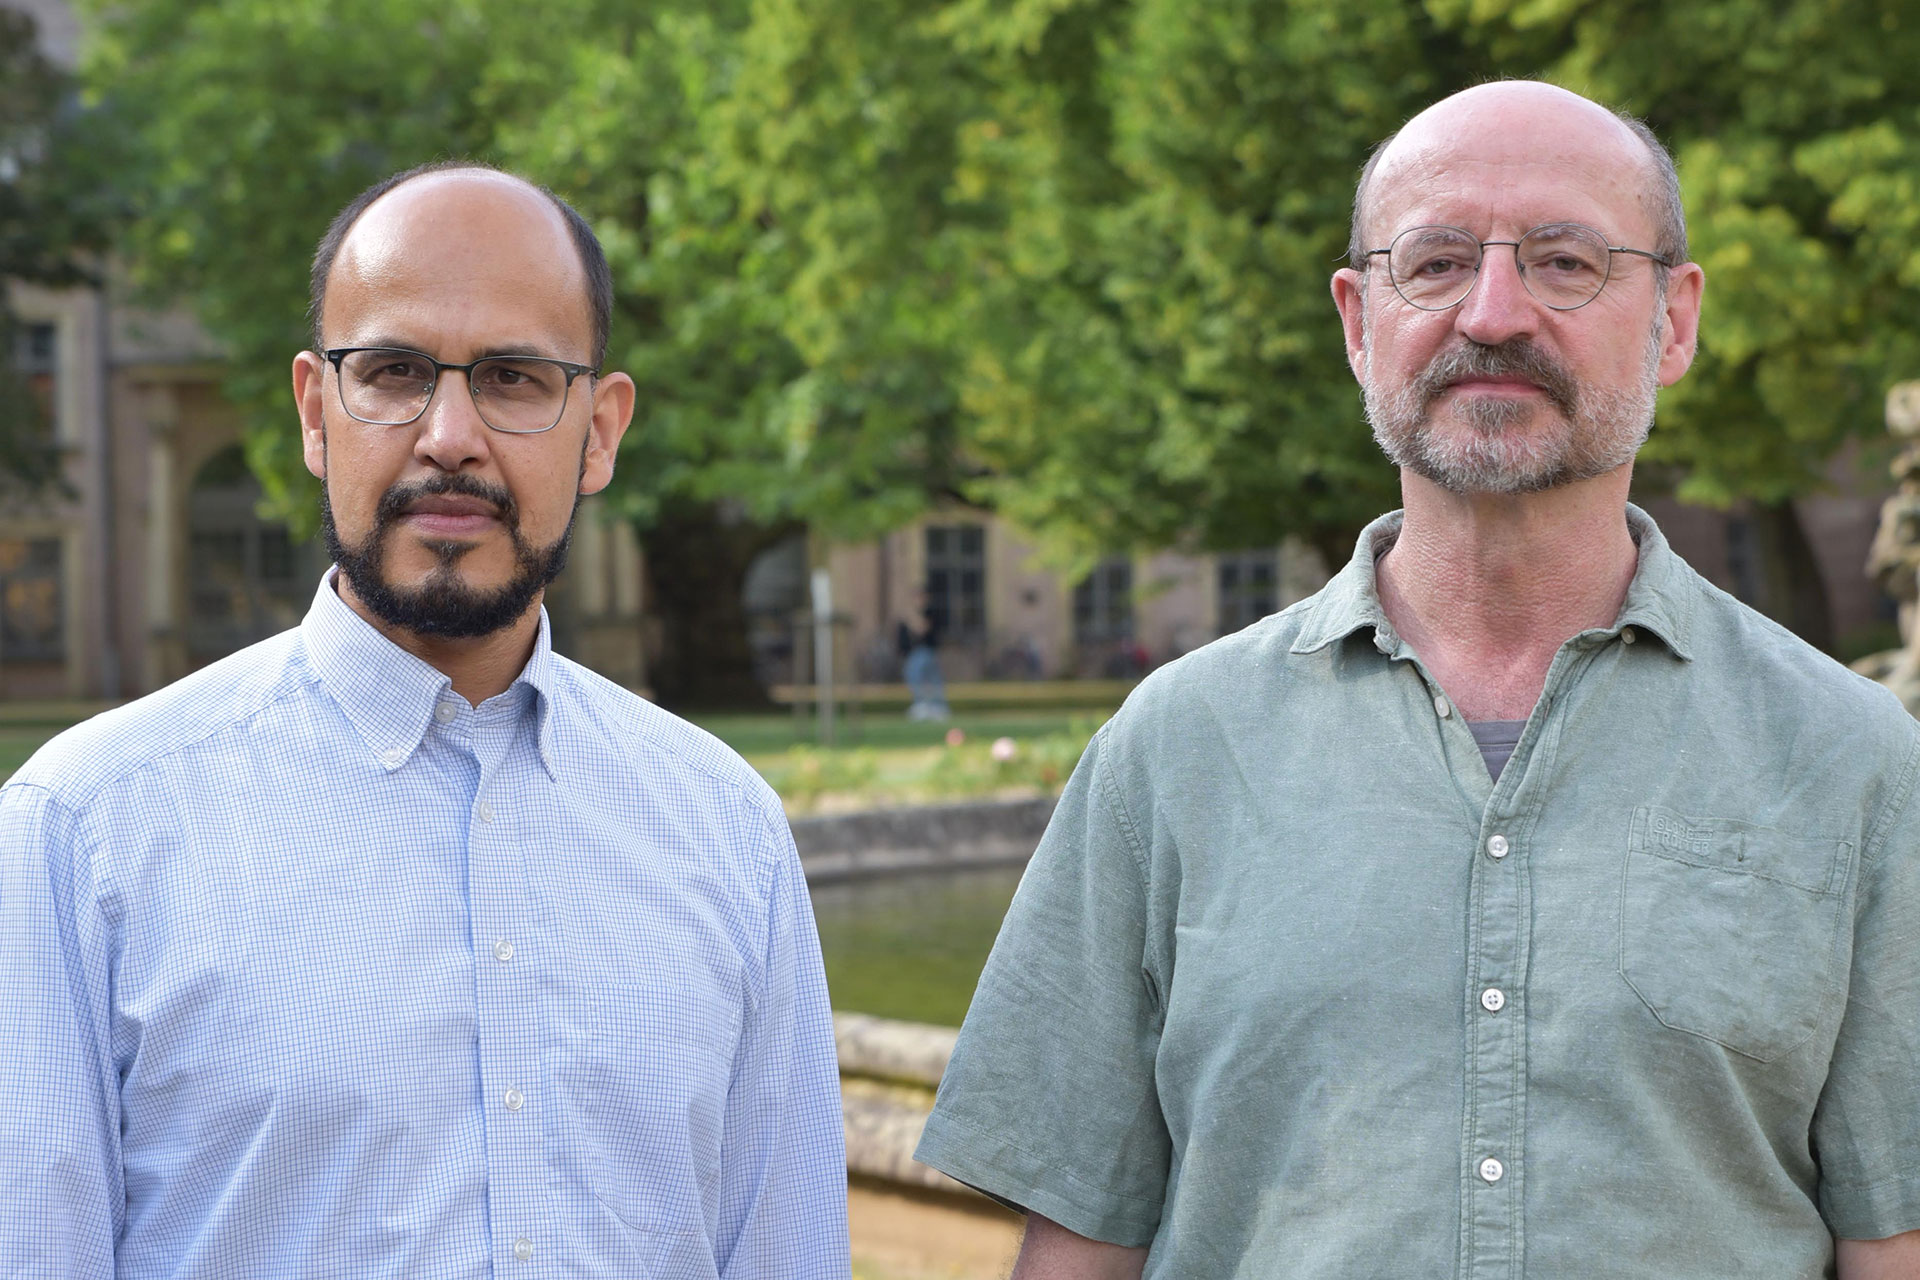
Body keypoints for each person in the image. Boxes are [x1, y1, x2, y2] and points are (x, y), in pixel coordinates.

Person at [914, 82, 1920, 1279]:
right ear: (1357, 319)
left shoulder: (1854, 761)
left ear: (1676, 317)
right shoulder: (1172, 753)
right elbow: (1077, 1245)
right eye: (1435, 262)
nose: (1493, 314)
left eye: (1565, 262)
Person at [0, 163, 849, 1277]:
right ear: (316, 412)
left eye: (513, 377)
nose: (450, 434)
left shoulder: (724, 827)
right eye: (394, 371)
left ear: (599, 432)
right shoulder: (85, 832)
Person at [898, 588, 950, 720]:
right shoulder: (910, 614)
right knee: (921, 678)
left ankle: (933, 707)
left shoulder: (930, 612)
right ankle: (925, 706)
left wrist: (912, 618)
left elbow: (921, 630)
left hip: (926, 651)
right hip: (914, 653)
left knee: (924, 678)